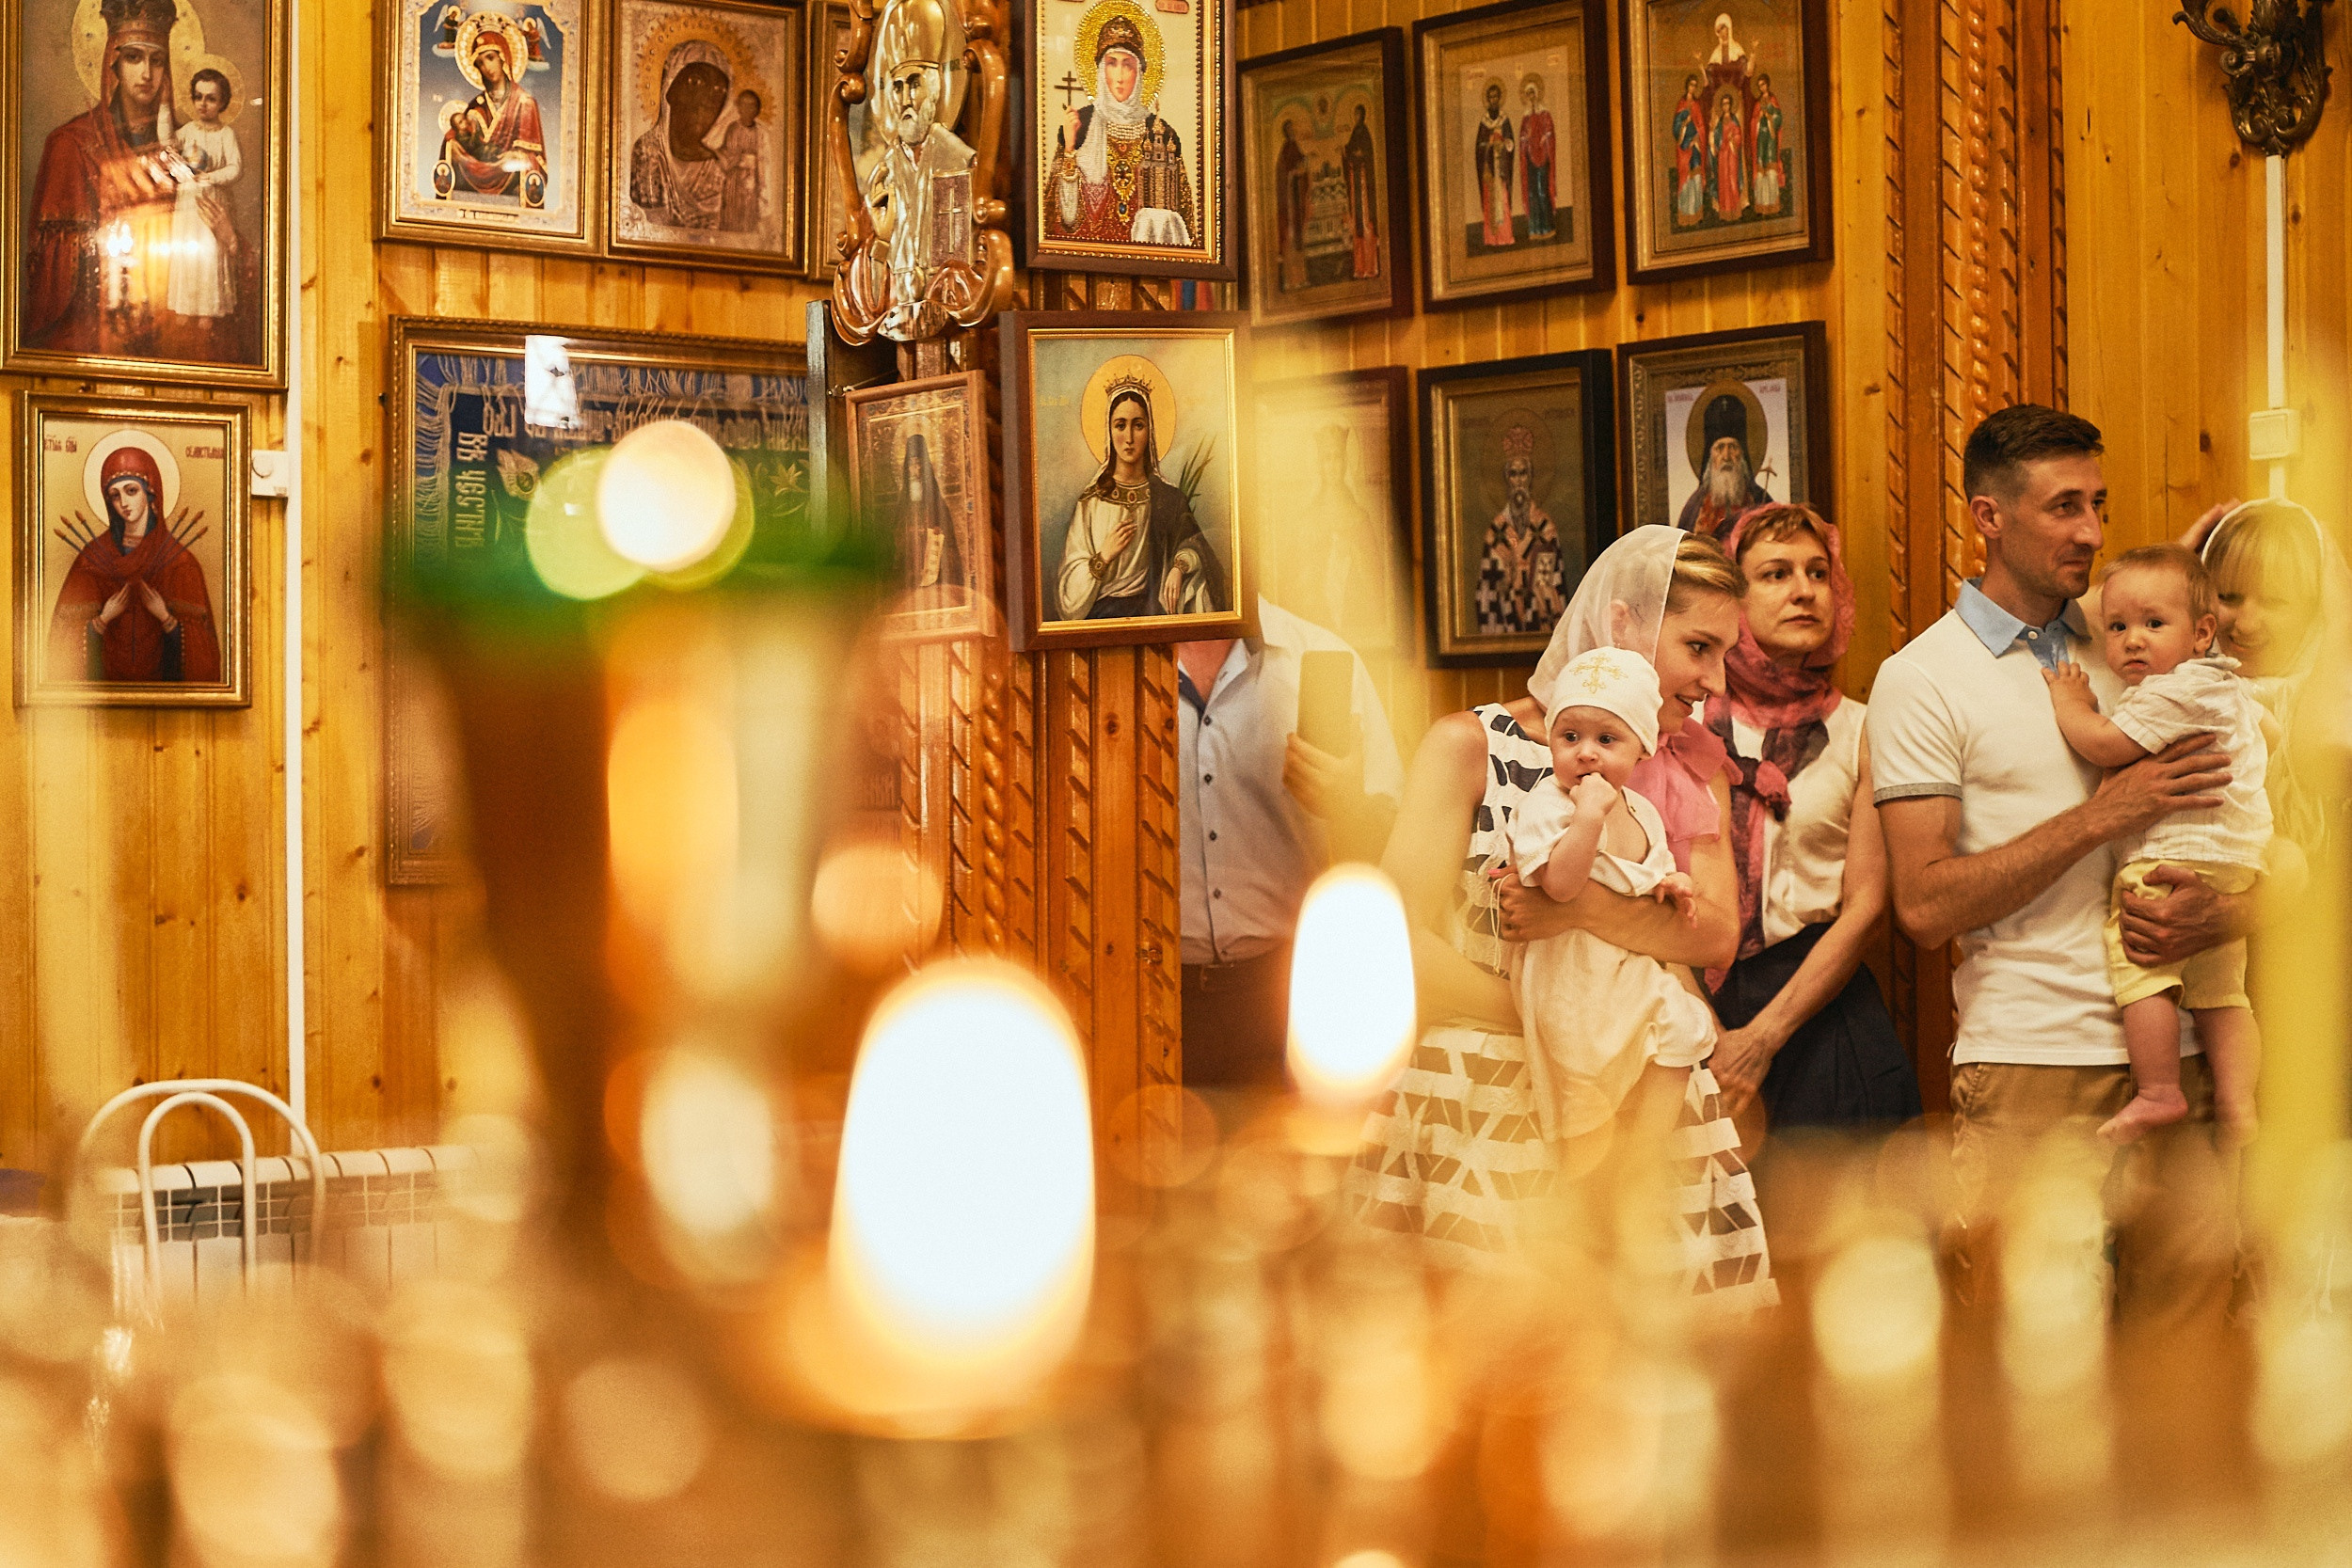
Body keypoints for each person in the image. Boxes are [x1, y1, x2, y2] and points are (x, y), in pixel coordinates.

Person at [1868, 404, 2255, 1333]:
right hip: (2031, 1066)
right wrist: (2102, 816)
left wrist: (2235, 912)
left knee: (2194, 1363)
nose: (2089, 530)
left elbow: (2260, 830)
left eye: (2098, 504)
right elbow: (1922, 906)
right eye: (2063, 507)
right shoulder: (1923, 677)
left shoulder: (2140, 639)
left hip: (2183, 1057)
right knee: (2035, 1372)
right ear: (1989, 516)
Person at [1350, 526, 1773, 1306]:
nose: (1714, 680)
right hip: (1487, 1095)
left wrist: (1575, 913)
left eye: (1724, 653)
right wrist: (1546, 1014)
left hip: (1640, 1094)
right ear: (1624, 624)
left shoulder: (1684, 763)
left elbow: (1714, 932)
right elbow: (1392, 939)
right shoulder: (1471, 746)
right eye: (1699, 647)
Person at [2042, 545, 2271, 1147]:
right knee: (2222, 993)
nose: (2132, 641)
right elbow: (2267, 735)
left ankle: (2159, 1091)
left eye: (2153, 623)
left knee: (2142, 969)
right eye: (2117, 627)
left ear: (2202, 634)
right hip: (2235, 864)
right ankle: (2239, 1104)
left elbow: (2104, 744)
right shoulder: (2228, 687)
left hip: (2170, 857)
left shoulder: (2171, 690)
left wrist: (2071, 703)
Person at [1705, 505, 1920, 1136]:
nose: (1804, 591)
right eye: (1776, 574)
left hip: (1821, 1015)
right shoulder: (1679, 723)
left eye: (1819, 573)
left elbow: (1867, 906)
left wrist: (1762, 1038)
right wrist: (1709, 1032)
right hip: (1690, 1003)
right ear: (1731, 598)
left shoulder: (1861, 728)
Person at [1177, 600, 1403, 1093]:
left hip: (1294, 987)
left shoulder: (1317, 654)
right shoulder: (1104, 656)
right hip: (1147, 990)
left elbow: (1397, 847)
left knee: (1297, 1142)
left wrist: (1348, 805)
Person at [1507, 647, 1714, 1174]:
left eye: (1607, 740)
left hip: (1624, 967)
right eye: (1569, 736)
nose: (1586, 753)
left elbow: (1644, 874)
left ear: (1641, 747)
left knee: (1682, 1025)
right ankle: (1586, 1186)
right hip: (1569, 974)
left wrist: (1671, 884)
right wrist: (1587, 820)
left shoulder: (1640, 810)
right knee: (1584, 1092)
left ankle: (1643, 1158)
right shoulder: (1550, 805)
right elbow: (1560, 886)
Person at [25, 0, 183, 356]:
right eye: (134, 58)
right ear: (114, 62)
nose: (146, 73)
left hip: (173, 322)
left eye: (157, 60)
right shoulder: (71, 144)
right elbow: (56, 281)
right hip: (98, 330)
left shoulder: (187, 145)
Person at [1054, 375, 1227, 621]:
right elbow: (1068, 595)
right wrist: (1103, 557)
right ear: (1109, 431)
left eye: (1138, 425)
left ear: (1150, 430)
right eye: (1120, 425)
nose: (1129, 438)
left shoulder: (1168, 499)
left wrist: (1179, 567)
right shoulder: (1091, 503)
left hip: (1152, 615)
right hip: (1101, 619)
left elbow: (1198, 548)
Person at [49, 444, 221, 684]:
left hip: (166, 700)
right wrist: (102, 621)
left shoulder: (180, 564)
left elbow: (204, 662)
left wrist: (166, 618)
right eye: (115, 495)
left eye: (131, 490)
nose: (123, 502)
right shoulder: (91, 561)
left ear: (150, 493)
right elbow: (60, 651)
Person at [1048, 7, 1195, 246]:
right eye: (1111, 64)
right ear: (1100, 70)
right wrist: (1070, 151)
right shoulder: (1079, 126)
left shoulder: (1162, 133)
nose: (1119, 76)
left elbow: (1184, 220)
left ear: (1139, 72)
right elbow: (1063, 221)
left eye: (1127, 65)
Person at [1474, 425, 1567, 635]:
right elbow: (1487, 589)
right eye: (1513, 474)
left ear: (1530, 477)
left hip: (1539, 619)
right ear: (1507, 478)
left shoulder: (1545, 527)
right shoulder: (1496, 531)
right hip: (1505, 620)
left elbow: (1554, 582)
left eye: (1523, 474)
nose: (1518, 481)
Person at [167, 70, 242, 327]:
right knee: (188, 250)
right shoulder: (188, 130)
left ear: (222, 102)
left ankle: (208, 308)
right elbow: (167, 143)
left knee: (209, 251)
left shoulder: (226, 134)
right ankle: (185, 305)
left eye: (211, 98)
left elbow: (235, 168)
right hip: (188, 200)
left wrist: (210, 177)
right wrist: (164, 108)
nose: (203, 104)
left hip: (212, 200)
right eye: (198, 97)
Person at [630, 42, 732, 230]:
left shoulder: (718, 167)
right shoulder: (647, 153)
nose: (707, 98)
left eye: (719, 90)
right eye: (695, 82)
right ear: (670, 89)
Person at [442, 25, 547, 200]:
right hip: (474, 178)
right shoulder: (477, 105)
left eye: (490, 58)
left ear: (503, 57)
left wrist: (517, 156)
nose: (487, 67)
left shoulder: (525, 104)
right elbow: (458, 135)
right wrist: (451, 145)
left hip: (508, 179)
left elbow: (536, 161)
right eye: (480, 63)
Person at [1677, 393, 1772, 535]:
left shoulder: (1761, 500)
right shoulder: (1695, 508)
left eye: (1733, 447)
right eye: (1720, 448)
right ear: (1710, 457)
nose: (1726, 456)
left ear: (1743, 455)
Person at [894, 431, 964, 607]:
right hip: (908, 573)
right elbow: (894, 541)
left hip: (934, 577)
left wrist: (937, 536)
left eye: (919, 464)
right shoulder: (902, 507)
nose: (915, 470)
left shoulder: (937, 504)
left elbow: (949, 546)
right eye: (911, 465)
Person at [714, 90, 766, 233]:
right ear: (739, 108)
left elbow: (764, 159)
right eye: (745, 105)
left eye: (752, 105)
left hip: (752, 181)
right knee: (732, 213)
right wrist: (741, 159)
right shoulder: (733, 129)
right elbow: (727, 154)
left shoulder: (760, 132)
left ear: (757, 109)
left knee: (749, 214)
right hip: (734, 181)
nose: (748, 109)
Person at [1473, 80, 1515, 248]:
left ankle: (1505, 236)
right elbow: (1479, 147)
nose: (1494, 100)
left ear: (1499, 98)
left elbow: (1511, 143)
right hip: (1489, 171)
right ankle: (1491, 238)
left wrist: (1503, 143)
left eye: (1496, 96)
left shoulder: (1505, 120)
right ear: (1488, 100)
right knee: (1490, 202)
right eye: (1491, 97)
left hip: (1501, 169)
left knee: (1503, 201)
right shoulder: (1484, 123)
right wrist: (1489, 143)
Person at [1341, 103, 1379, 277]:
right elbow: (1350, 150)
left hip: (1363, 181)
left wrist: (1359, 155)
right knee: (1358, 227)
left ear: (1362, 115)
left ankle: (1370, 267)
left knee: (1366, 224)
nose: (1356, 117)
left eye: (1358, 114)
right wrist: (1345, 152)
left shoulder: (1364, 132)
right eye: (1355, 114)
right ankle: (1360, 268)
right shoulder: (1355, 132)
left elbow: (1366, 153)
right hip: (1355, 180)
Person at [1518, 74, 1557, 242]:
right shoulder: (1526, 118)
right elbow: (1522, 137)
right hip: (1530, 157)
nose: (1531, 97)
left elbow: (1550, 133)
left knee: (1542, 191)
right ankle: (1534, 229)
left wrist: (1543, 139)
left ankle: (1547, 228)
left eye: (1532, 93)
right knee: (1532, 193)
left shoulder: (1545, 114)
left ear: (1537, 94)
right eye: (1528, 94)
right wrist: (1525, 141)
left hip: (1542, 157)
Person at [1273, 119, 1310, 291]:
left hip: (1296, 200)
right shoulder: (1286, 148)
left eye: (1293, 128)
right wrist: (1293, 173)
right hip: (1289, 202)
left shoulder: (1294, 146)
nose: (1293, 131)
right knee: (1290, 241)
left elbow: (1302, 163)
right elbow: (1283, 171)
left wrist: (1304, 167)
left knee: (1298, 242)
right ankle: (1291, 280)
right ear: (1286, 131)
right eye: (1290, 129)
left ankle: (1301, 279)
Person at [1671, 74, 1708, 229]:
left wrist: (1697, 138)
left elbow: (1701, 126)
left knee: (1696, 178)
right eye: (1691, 85)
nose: (1692, 88)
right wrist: (1685, 125)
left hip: (1696, 147)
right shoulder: (1681, 105)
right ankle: (1685, 215)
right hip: (1685, 147)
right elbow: (1675, 129)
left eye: (1695, 85)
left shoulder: (1696, 105)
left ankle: (1697, 214)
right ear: (1687, 86)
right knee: (1686, 180)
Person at [1708, 89, 1748, 224]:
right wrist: (1714, 138)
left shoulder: (1734, 120)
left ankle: (1735, 211)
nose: (1726, 106)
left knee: (1732, 180)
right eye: (1724, 104)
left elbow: (1738, 136)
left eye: (1728, 103)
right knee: (1723, 182)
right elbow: (1716, 138)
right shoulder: (1720, 122)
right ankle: (1725, 212)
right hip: (1722, 156)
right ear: (1721, 106)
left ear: (1731, 105)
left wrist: (1732, 139)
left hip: (1732, 155)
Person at [1749, 73, 1786, 216]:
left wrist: (1769, 117)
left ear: (1767, 85)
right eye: (1759, 86)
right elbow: (1753, 122)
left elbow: (1778, 118)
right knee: (1761, 172)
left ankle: (1773, 205)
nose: (1761, 88)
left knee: (1770, 171)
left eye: (1763, 84)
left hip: (1770, 139)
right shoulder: (1758, 103)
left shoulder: (1773, 100)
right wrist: (1758, 118)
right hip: (1761, 139)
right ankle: (1762, 205)